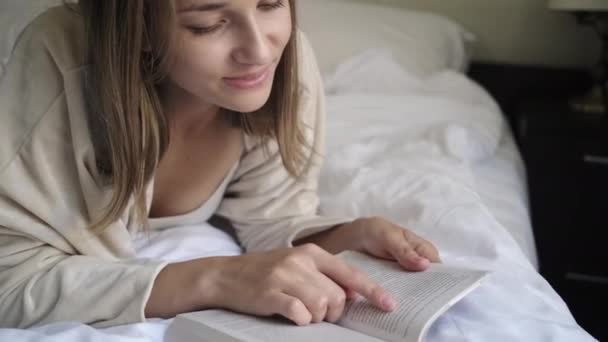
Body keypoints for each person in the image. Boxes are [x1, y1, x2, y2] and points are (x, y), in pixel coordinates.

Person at [0, 0, 440, 329]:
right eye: (208, 25)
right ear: (140, 31)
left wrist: (345, 236)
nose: (258, 50)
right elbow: (10, 285)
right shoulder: (60, 57)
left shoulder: (284, 64)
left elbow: (271, 216)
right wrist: (213, 280)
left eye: (270, 3)